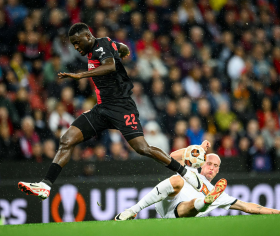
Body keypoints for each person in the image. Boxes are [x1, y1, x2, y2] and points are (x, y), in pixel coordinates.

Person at [18, 23, 204, 200]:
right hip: (102, 108)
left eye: (77, 42)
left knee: (142, 148)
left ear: (87, 36)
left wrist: (82, 74)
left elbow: (110, 66)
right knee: (66, 139)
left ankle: (185, 172)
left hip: (122, 107)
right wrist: (122, 51)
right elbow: (123, 48)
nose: (75, 47)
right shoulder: (105, 46)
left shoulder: (101, 45)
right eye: (73, 44)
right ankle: (46, 185)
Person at [115, 141, 280, 220]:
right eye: (209, 163)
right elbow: (171, 157)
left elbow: (248, 207)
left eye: (216, 166)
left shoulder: (219, 193)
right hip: (166, 202)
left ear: (218, 170)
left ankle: (205, 202)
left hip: (180, 213)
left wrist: (277, 213)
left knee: (193, 203)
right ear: (202, 164)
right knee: (177, 180)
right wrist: (197, 150)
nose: (212, 168)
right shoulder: (191, 171)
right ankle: (133, 210)